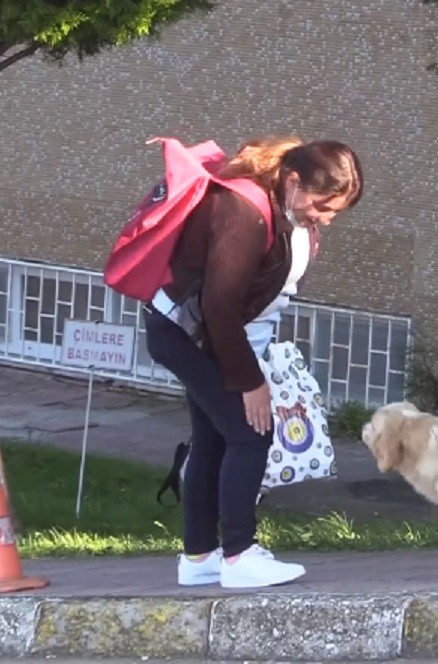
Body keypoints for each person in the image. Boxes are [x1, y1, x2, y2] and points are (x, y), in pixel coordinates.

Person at [143, 135, 364, 589]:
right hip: (187, 333)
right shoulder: (244, 211)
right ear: (294, 180)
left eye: (334, 213)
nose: (323, 218)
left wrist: (302, 230)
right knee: (250, 432)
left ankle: (200, 555)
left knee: (214, 438)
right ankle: (240, 554)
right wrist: (250, 382)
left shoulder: (276, 203)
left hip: (192, 332)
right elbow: (220, 306)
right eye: (322, 206)